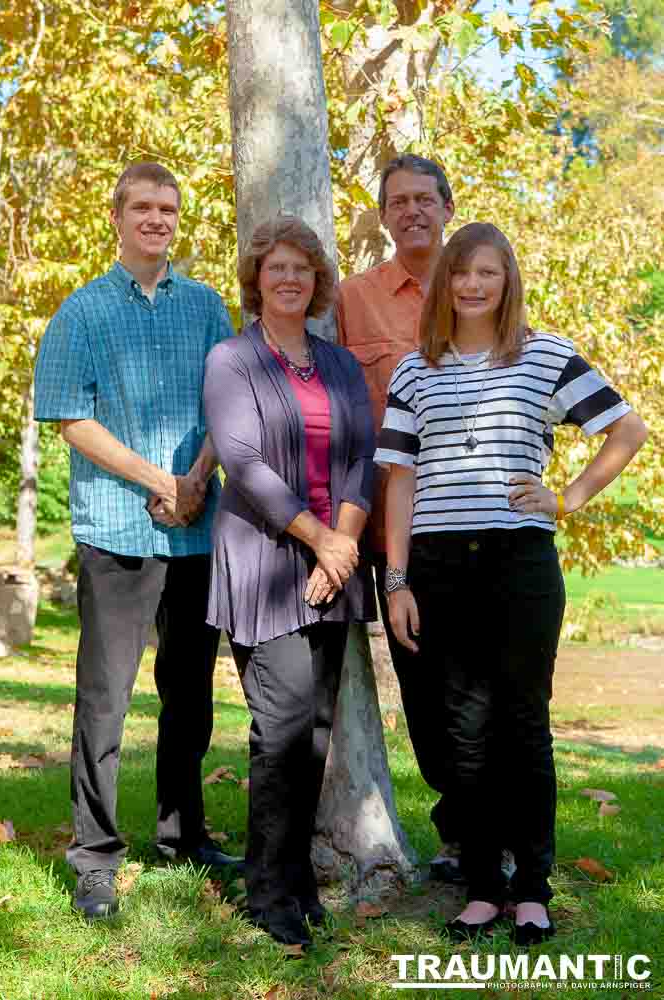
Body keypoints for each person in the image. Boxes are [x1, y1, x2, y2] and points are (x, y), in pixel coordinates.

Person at [375, 222, 648, 944]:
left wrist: (568, 498)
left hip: (518, 563)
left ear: (507, 281)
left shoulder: (546, 355)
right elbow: (399, 481)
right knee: (463, 733)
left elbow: (627, 430)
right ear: (444, 283)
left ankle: (531, 888)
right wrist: (397, 580)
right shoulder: (414, 370)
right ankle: (481, 887)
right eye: (460, 272)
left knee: (523, 727)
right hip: (437, 567)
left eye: (486, 273)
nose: (471, 285)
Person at [34, 161, 242, 921]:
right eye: (143, 207)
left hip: (197, 533)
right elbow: (69, 417)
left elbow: (230, 406)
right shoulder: (82, 311)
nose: (157, 219)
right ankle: (94, 856)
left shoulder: (207, 307)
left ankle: (182, 835)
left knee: (189, 697)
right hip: (116, 531)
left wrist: (196, 479)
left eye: (168, 209)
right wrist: (161, 480)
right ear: (117, 217)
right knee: (104, 701)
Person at [203, 216, 376, 947]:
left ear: (317, 282)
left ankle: (297, 876)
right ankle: (266, 890)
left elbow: (363, 457)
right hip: (264, 562)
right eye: (277, 268)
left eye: (302, 269)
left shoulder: (338, 363)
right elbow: (242, 463)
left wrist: (343, 547)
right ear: (256, 278)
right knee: (279, 730)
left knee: (316, 732)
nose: (289, 279)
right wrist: (321, 541)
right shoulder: (232, 359)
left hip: (335, 562)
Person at [338, 154, 468, 876]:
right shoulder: (353, 300)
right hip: (389, 522)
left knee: (481, 678)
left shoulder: (482, 287)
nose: (412, 211)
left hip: (469, 516)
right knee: (421, 678)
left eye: (424, 198)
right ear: (384, 215)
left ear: (448, 207)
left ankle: (502, 832)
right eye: (398, 201)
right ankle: (461, 831)